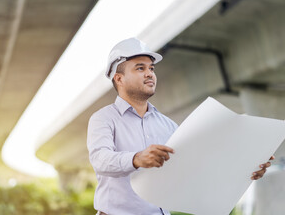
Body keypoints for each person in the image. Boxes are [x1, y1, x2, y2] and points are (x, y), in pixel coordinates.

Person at [87, 38, 273, 215]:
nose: (149, 73)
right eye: (140, 68)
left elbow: (195, 169)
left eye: (151, 68)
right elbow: (100, 159)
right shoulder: (103, 119)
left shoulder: (167, 125)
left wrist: (246, 169)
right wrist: (136, 159)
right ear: (119, 79)